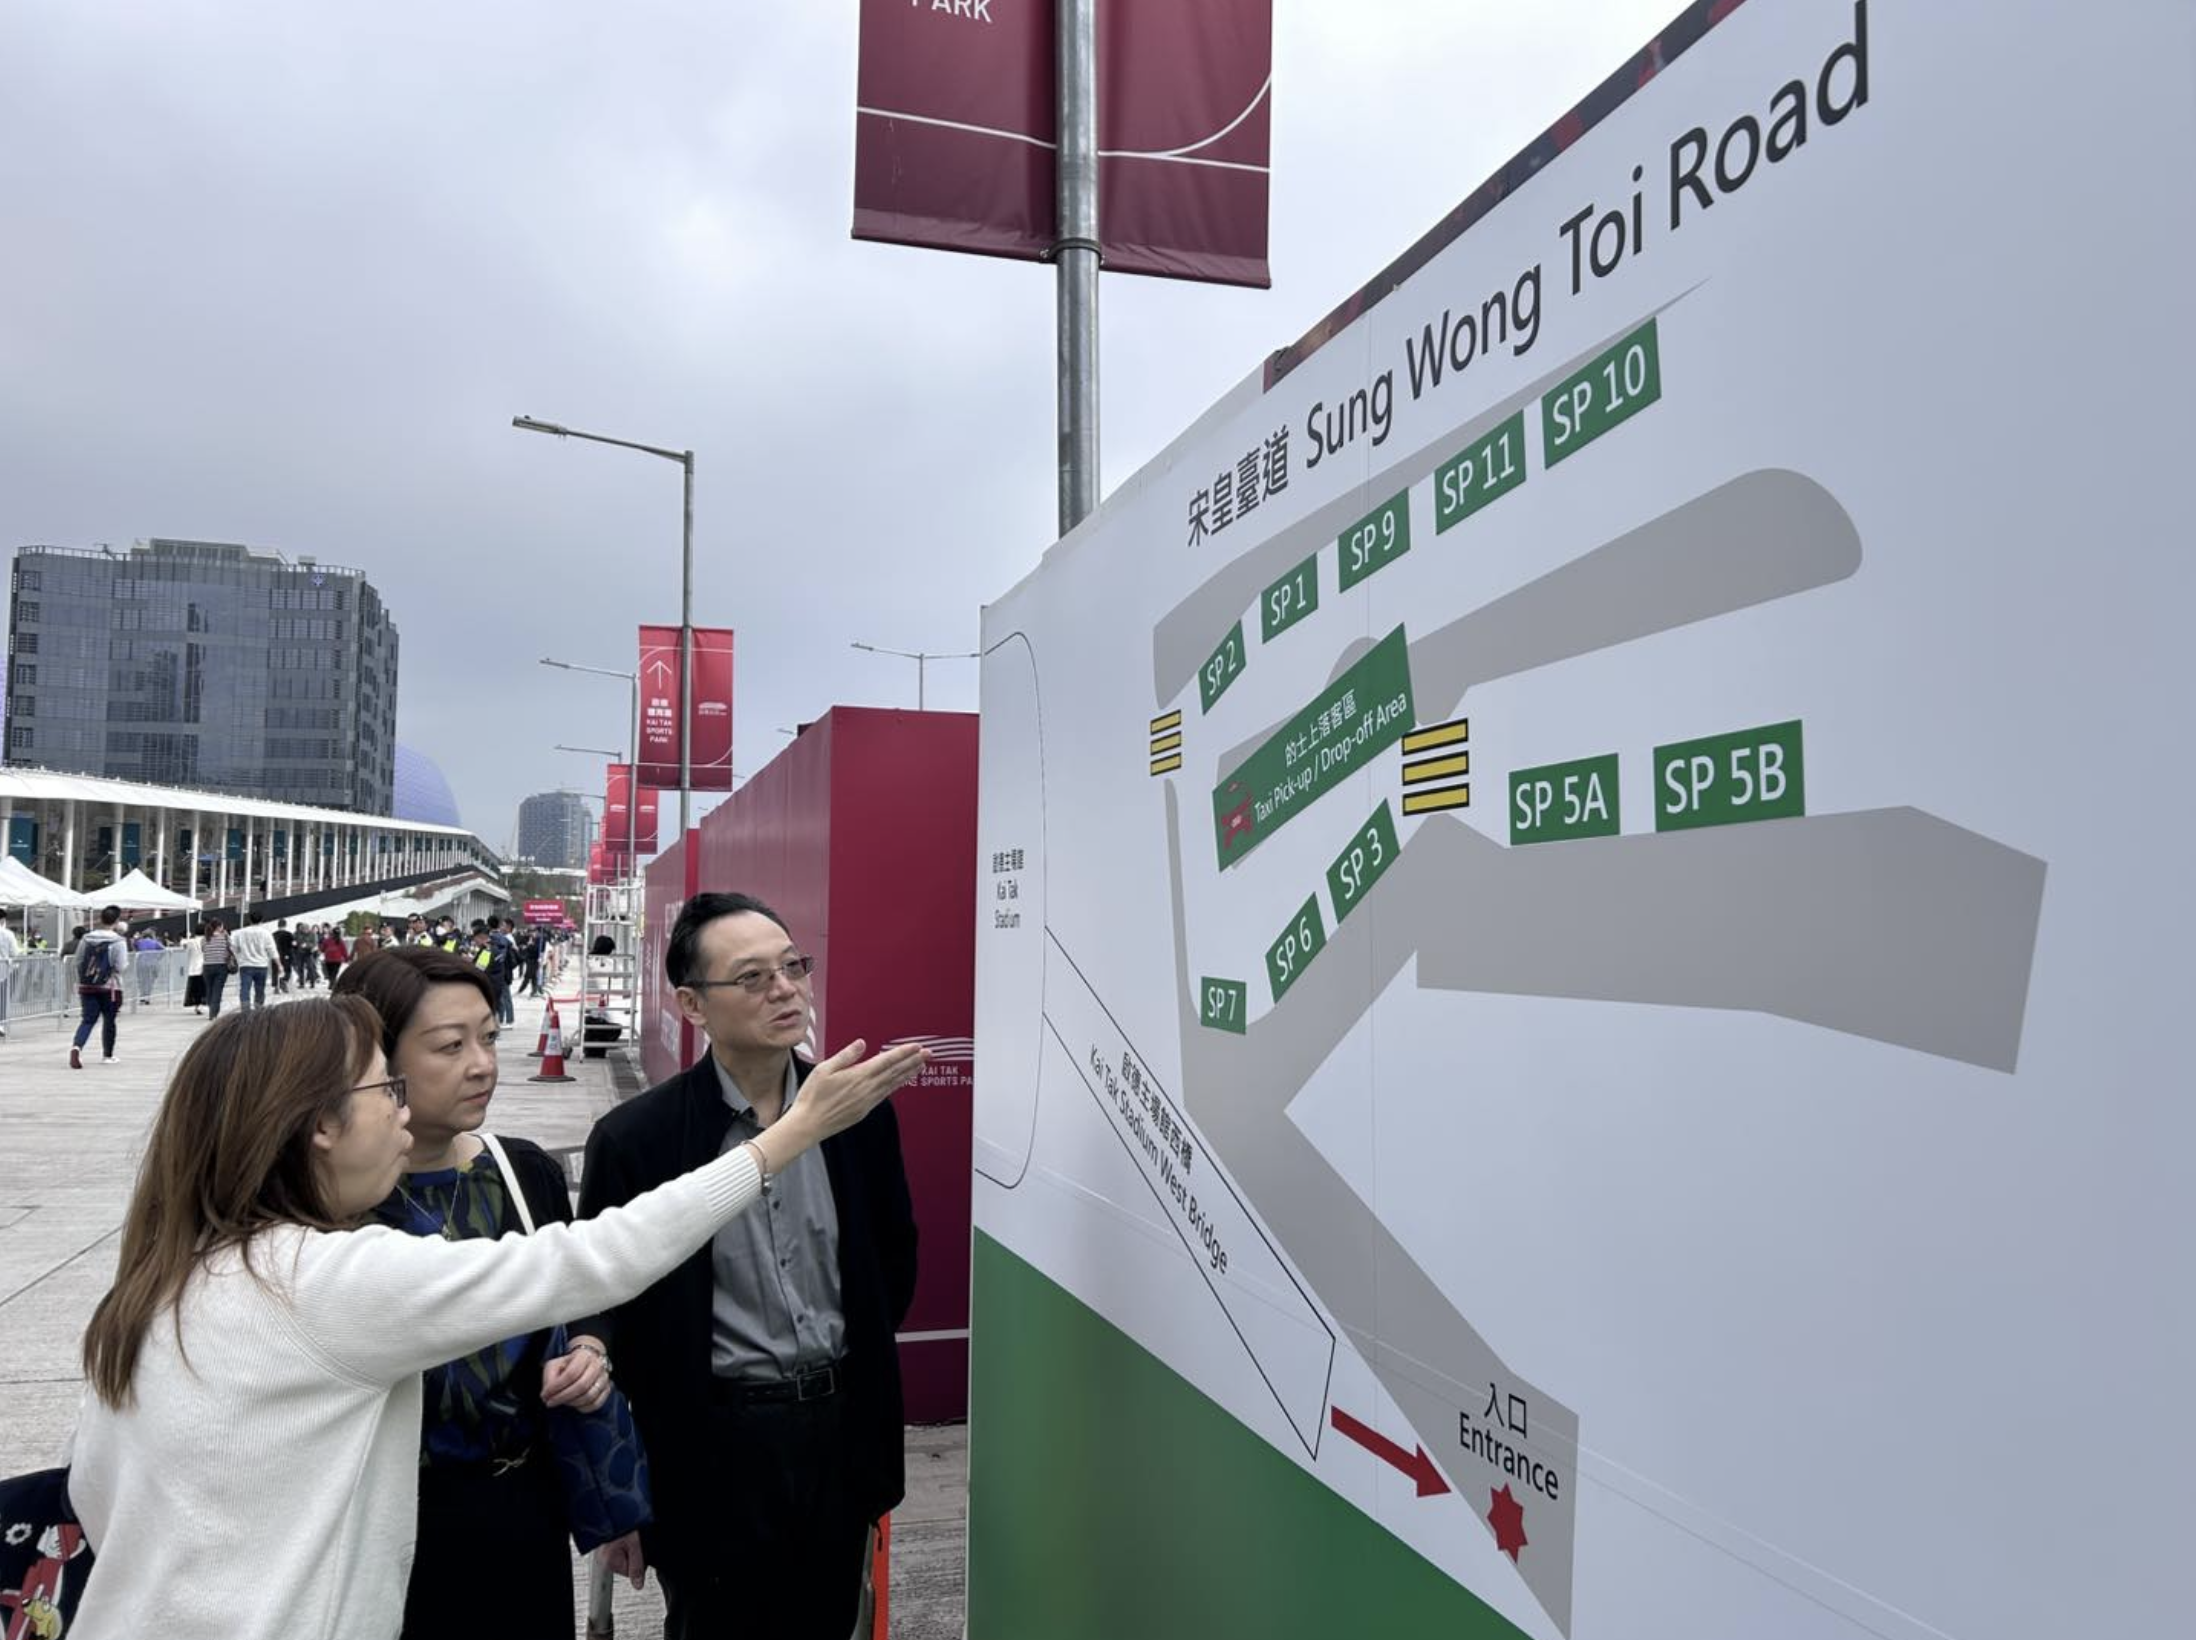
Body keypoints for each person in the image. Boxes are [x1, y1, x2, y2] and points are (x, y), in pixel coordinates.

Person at [66, 995, 925, 1640]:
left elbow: (97, 1496)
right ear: (321, 1125)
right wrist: (788, 1136)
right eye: (386, 1087)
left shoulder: (162, 1285)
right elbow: (601, 1255)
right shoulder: (320, 1284)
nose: (404, 1110)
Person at [577, 892, 921, 1639]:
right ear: (691, 1004)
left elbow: (890, 1265)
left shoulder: (858, 1113)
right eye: (754, 977)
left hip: (837, 1434)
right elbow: (605, 1299)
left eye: (793, 967)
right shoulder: (638, 1139)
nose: (786, 990)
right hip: (710, 1449)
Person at [329, 947, 636, 1635]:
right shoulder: (331, 1209)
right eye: (450, 1045)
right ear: (373, 1063)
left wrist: (589, 1350)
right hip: (381, 1528)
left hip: (521, 1509)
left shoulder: (521, 1172)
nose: (482, 1064)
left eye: (490, 1038)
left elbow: (582, 1293)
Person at [69, 907, 130, 1070]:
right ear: (117, 921)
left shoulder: (86, 938)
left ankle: (77, 1047)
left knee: (88, 1019)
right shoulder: (118, 941)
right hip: (110, 987)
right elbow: (121, 966)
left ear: (101, 919)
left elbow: (78, 961)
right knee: (109, 1020)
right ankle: (107, 1055)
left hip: (87, 985)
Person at [231, 915, 278, 1012]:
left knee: (245, 988)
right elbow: (272, 950)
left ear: (249, 920)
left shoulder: (240, 933)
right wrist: (279, 964)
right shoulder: (266, 933)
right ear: (261, 920)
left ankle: (245, 1009)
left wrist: (238, 956)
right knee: (260, 988)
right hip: (261, 965)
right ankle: (258, 1009)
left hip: (245, 965)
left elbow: (234, 948)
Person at [199, 917, 233, 1018]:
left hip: (207, 966)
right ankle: (213, 1013)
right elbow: (231, 948)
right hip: (221, 966)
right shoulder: (224, 938)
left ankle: (211, 1008)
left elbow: (203, 950)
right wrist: (226, 935)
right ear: (219, 927)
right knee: (217, 990)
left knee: (209, 989)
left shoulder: (204, 939)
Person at [132, 928, 164, 1009]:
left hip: (141, 963)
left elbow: (134, 946)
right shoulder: (155, 942)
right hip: (152, 963)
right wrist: (158, 958)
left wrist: (136, 938)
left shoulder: (140, 942)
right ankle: (147, 997)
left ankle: (142, 996)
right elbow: (163, 949)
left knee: (142, 981)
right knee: (150, 981)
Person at [0, 908, 18, 1038]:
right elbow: (14, 952)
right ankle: (0, 1024)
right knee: (2, 998)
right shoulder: (8, 934)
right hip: (3, 971)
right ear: (2, 920)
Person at [181, 926, 206, 1014]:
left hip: (193, 968)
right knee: (204, 988)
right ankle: (205, 1004)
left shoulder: (192, 941)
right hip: (204, 967)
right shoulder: (207, 940)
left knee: (195, 990)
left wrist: (187, 936)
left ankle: (196, 1006)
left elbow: (183, 944)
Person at [273, 919, 298, 995]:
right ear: (285, 925)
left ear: (278, 925)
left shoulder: (273, 934)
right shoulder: (289, 934)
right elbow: (294, 945)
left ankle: (276, 986)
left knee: (276, 970)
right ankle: (283, 982)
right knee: (287, 970)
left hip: (275, 955)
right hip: (286, 955)